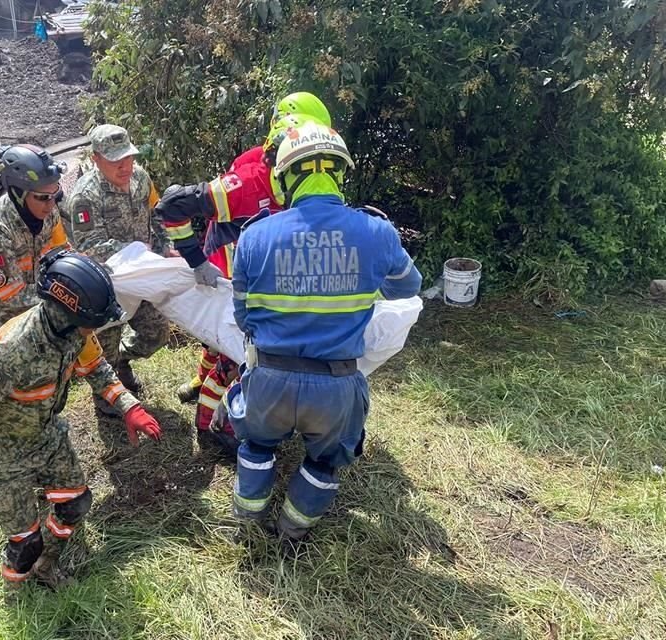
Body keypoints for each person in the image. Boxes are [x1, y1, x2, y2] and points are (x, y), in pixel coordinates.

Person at [228, 121, 422, 543]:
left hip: (269, 383)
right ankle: (292, 532)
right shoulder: (376, 231)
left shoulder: (254, 236)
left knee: (257, 447)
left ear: (284, 178)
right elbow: (407, 287)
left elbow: (243, 317)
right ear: (339, 173)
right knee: (325, 462)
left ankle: (247, 527)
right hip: (336, 387)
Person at [0, 250, 163, 587]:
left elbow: (95, 367)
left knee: (75, 505)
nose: (94, 330)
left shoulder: (73, 332)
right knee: (25, 543)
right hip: (1, 453)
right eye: (91, 323)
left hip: (47, 436)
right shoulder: (9, 353)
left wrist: (128, 405)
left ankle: (45, 567)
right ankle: (16, 592)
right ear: (66, 313)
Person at [156, 91, 332, 448]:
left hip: (257, 273)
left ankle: (199, 381)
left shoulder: (301, 180)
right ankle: (211, 428)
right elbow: (172, 205)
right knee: (234, 354)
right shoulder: (251, 181)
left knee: (218, 341)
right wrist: (196, 261)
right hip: (229, 274)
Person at [63, 124, 170, 409]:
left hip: (142, 275)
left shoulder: (140, 177)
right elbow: (89, 244)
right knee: (104, 347)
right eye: (115, 161)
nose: (125, 166)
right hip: (106, 285)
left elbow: (157, 213)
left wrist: (164, 248)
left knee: (157, 332)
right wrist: (132, 249)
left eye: (129, 157)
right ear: (96, 159)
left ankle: (123, 360)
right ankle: (106, 394)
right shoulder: (86, 196)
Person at [0, 144, 71, 354]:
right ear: (18, 193)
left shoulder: (47, 213)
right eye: (42, 197)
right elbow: (14, 297)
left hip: (33, 309)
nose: (50, 205)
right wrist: (69, 295)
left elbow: (60, 252)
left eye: (55, 195)